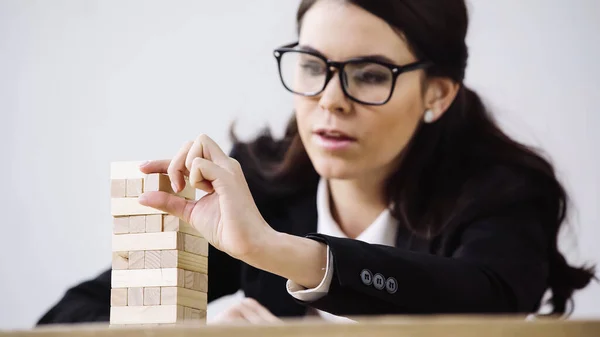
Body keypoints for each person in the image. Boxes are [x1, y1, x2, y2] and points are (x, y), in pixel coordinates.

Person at [37, 0, 595, 325]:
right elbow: (70, 317)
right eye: (311, 65)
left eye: (371, 74)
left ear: (438, 95)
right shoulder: (260, 185)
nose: (330, 99)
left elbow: (484, 300)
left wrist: (274, 250)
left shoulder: (504, 192)